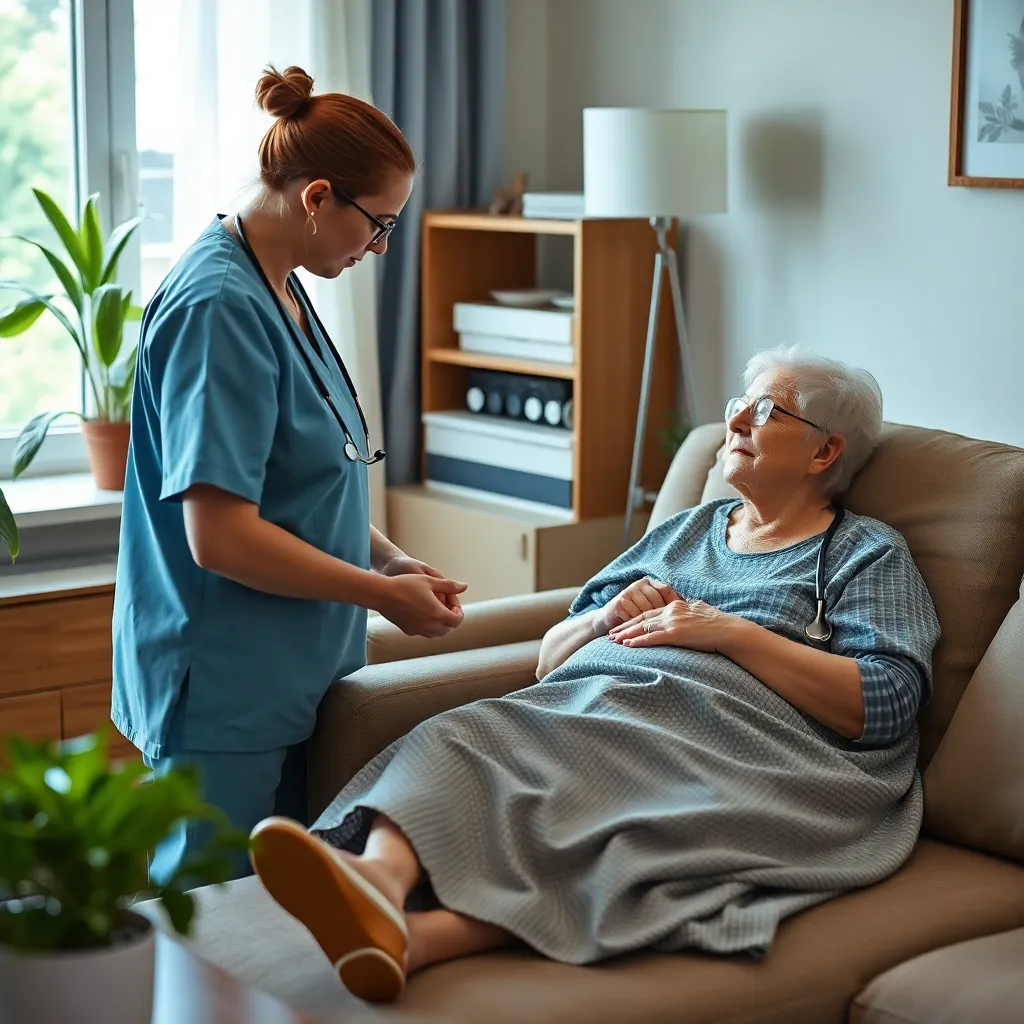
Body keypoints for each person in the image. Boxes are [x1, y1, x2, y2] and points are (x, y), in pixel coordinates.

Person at [245, 346, 941, 1003]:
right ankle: (383, 888)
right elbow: (552, 657)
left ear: (825, 451)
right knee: (467, 733)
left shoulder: (863, 552)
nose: (734, 420)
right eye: (740, 402)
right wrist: (605, 616)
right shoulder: (689, 530)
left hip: (746, 748)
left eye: (767, 411)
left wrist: (726, 631)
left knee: (624, 824)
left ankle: (411, 931)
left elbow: (885, 702)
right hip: (602, 709)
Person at [112, 65, 467, 884]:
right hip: (226, 685)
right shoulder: (219, 308)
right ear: (316, 198)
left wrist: (387, 559)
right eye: (377, 226)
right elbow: (221, 536)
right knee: (211, 931)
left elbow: (312, 471)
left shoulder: (283, 289)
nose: (378, 249)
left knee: (283, 924)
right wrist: (380, 597)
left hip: (291, 671)